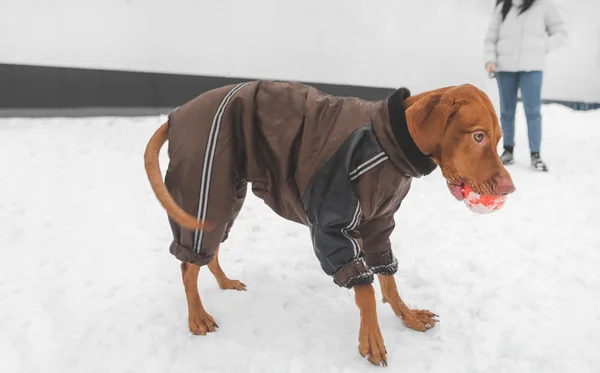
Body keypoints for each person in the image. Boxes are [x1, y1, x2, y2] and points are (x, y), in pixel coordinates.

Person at [483, 0, 567, 171]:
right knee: (506, 111)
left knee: (533, 112)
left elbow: (560, 33)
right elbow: (490, 38)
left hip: (532, 68)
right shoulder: (503, 7)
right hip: (504, 68)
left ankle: (535, 154)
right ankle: (508, 150)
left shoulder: (543, 6)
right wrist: (490, 60)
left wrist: (541, 47)